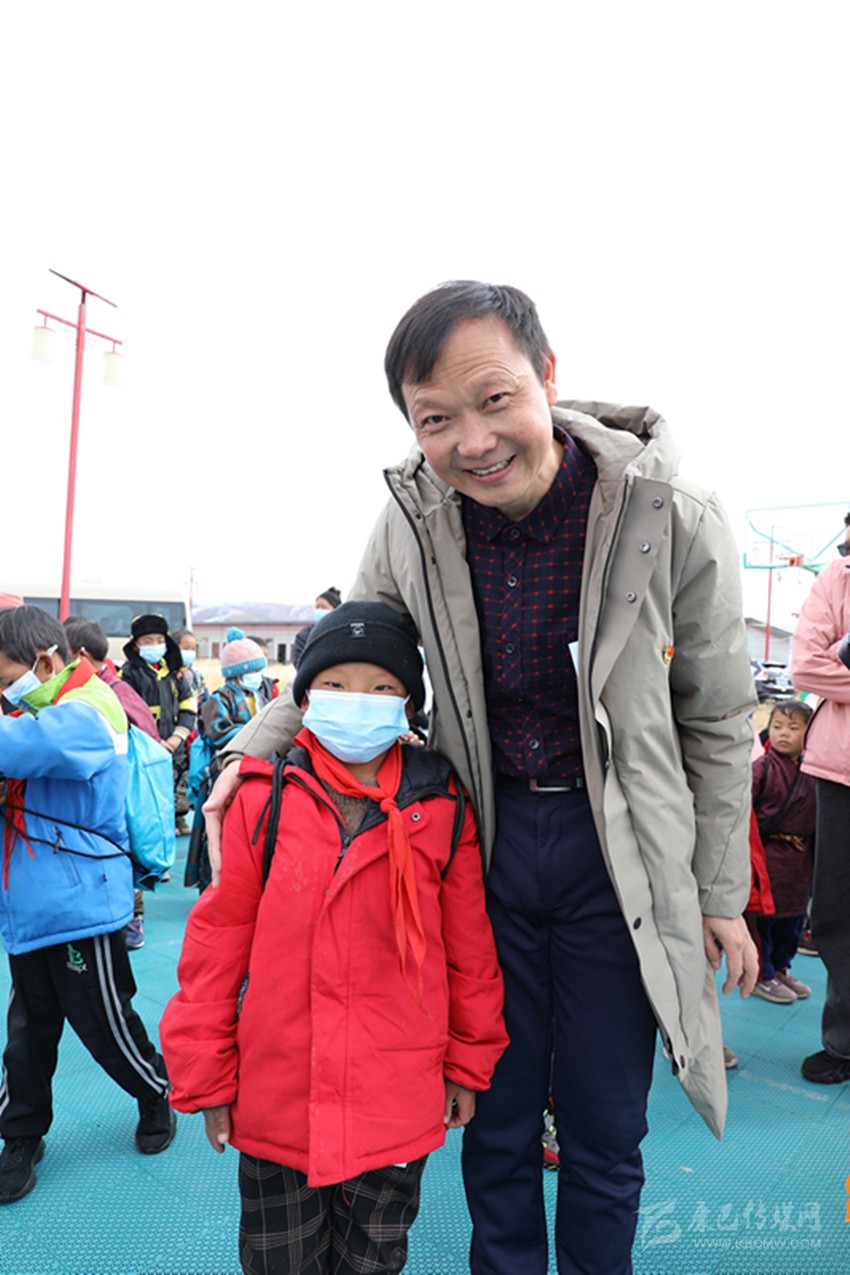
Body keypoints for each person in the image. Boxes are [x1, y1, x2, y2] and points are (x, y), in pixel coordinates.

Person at [202, 281, 758, 1273]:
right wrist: (254, 749)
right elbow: (348, 651)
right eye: (435, 419)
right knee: (492, 1119)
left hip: (616, 854)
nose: (472, 440)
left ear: (548, 376)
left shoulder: (671, 515)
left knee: (602, 1123)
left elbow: (715, 717)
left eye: (494, 399)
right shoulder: (412, 520)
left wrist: (718, 890)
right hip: (478, 843)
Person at [161, 601, 508, 1275]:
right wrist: (207, 1076)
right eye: (337, 684)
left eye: (382, 688)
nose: (359, 701)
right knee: (279, 1262)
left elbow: (470, 950)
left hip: (396, 1098)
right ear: (304, 698)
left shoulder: (442, 806)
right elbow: (215, 947)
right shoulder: (264, 798)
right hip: (278, 1099)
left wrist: (467, 1064)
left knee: (373, 1259)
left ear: (408, 703)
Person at [0, 606, 175, 1205]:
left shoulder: (90, 707)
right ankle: (20, 1134)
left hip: (81, 904)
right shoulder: (31, 709)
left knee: (104, 1022)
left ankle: (154, 1091)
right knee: (27, 1032)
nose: (5, 691)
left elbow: (29, 748)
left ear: (46, 662)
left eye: (6, 679)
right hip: (27, 906)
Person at [790, 516, 850, 1083]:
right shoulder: (837, 577)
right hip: (841, 773)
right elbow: (807, 664)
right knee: (836, 909)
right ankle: (844, 1041)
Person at [184, 629, 277, 892]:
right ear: (236, 673)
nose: (257, 675)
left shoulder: (265, 694)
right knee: (216, 832)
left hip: (259, 771)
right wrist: (262, 735)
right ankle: (211, 885)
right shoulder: (217, 700)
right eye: (252, 670)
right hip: (223, 773)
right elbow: (218, 734)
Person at [747, 700, 816, 1003]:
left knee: (793, 919)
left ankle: (781, 969)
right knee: (764, 920)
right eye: (777, 726)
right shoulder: (762, 768)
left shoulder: (813, 770)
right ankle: (762, 974)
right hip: (769, 855)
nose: (783, 733)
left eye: (793, 727)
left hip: (800, 859)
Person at [119, 614, 197, 841]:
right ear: (136, 644)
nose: (155, 645)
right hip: (145, 747)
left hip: (174, 746)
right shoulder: (128, 674)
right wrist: (154, 740)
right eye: (148, 641)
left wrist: (177, 737)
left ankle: (176, 818)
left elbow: (188, 705)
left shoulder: (175, 672)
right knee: (148, 791)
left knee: (175, 786)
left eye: (159, 640)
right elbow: (126, 711)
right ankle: (154, 830)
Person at [291, 586, 342, 668]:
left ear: (336, 610)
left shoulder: (342, 633)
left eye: (324, 607)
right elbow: (299, 662)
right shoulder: (305, 635)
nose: (319, 611)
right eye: (317, 607)